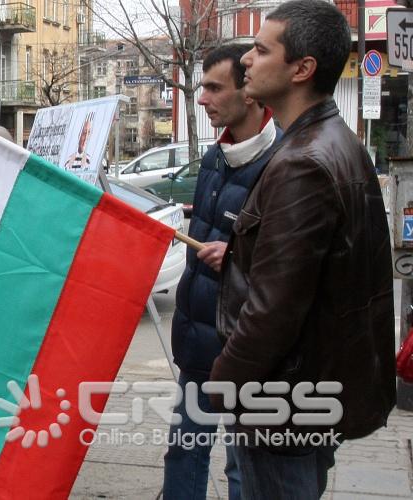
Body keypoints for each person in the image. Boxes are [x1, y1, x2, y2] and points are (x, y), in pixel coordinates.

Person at [211, 1, 395, 498]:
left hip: (282, 403)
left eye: (261, 49)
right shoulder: (337, 142)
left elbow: (275, 309)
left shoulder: (303, 162)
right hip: (309, 392)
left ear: (302, 68)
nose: (246, 59)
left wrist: (223, 381)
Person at [162, 43, 279, 500]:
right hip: (197, 343)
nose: (202, 98)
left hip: (247, 353)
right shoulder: (214, 156)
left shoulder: (283, 163)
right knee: (184, 450)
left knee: (241, 466)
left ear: (249, 93)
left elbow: (290, 266)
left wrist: (233, 255)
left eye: (214, 87)